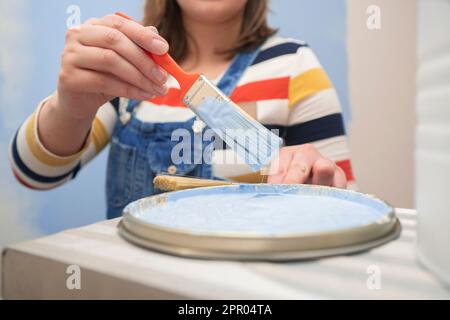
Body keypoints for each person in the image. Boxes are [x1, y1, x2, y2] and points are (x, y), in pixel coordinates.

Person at [9, 0, 354, 219]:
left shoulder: (294, 65)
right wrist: (70, 107)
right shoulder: (129, 76)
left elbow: (345, 213)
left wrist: (323, 183)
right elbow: (34, 173)